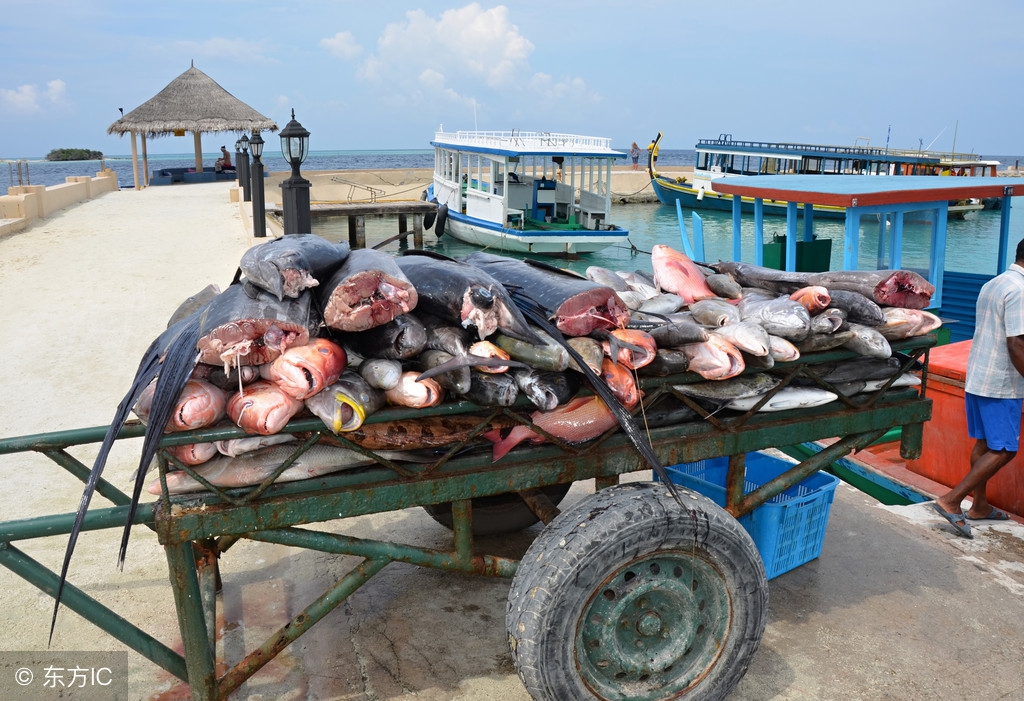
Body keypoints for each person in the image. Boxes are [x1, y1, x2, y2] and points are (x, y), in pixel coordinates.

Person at [931, 237, 1024, 538]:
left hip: (979, 375)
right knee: (1004, 450)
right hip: (1002, 383)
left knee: (984, 444)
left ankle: (980, 505)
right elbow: (1016, 343)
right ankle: (952, 500)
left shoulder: (994, 283)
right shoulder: (1021, 290)